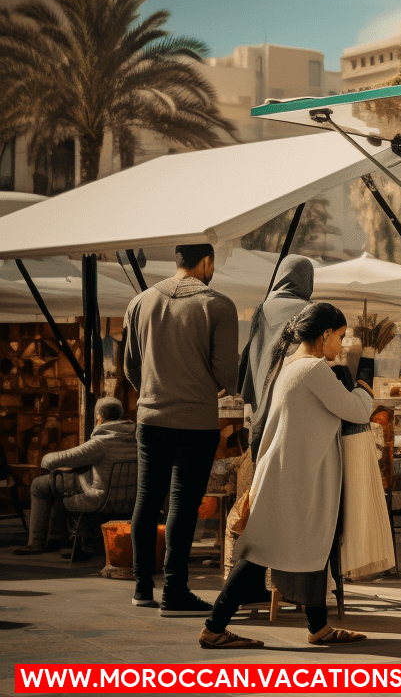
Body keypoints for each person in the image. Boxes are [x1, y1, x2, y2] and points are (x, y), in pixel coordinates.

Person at [200, 302, 372, 650]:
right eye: (340, 336)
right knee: (262, 550)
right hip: (291, 479)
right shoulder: (313, 370)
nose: (341, 344)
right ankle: (214, 627)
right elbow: (355, 409)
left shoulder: (294, 366)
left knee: (312, 546)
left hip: (291, 476)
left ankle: (318, 626)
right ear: (325, 335)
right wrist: (365, 388)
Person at [124, 243, 238, 616]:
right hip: (195, 421)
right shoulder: (218, 305)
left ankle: (142, 587)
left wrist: (155, 393)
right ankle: (174, 591)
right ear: (206, 262)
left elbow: (130, 367)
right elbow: (227, 374)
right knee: (182, 505)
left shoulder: (139, 302)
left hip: (150, 418)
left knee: (146, 499)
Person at [13, 398, 136, 555]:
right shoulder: (137, 439)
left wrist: (45, 459)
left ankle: (36, 543)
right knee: (62, 483)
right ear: (121, 415)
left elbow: (58, 459)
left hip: (99, 498)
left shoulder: (100, 443)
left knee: (39, 484)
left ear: (99, 417)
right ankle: (55, 538)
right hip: (129, 498)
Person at [237, 255, 314, 460]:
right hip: (293, 389)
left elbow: (254, 348)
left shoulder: (262, 309)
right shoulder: (309, 311)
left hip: (259, 380)